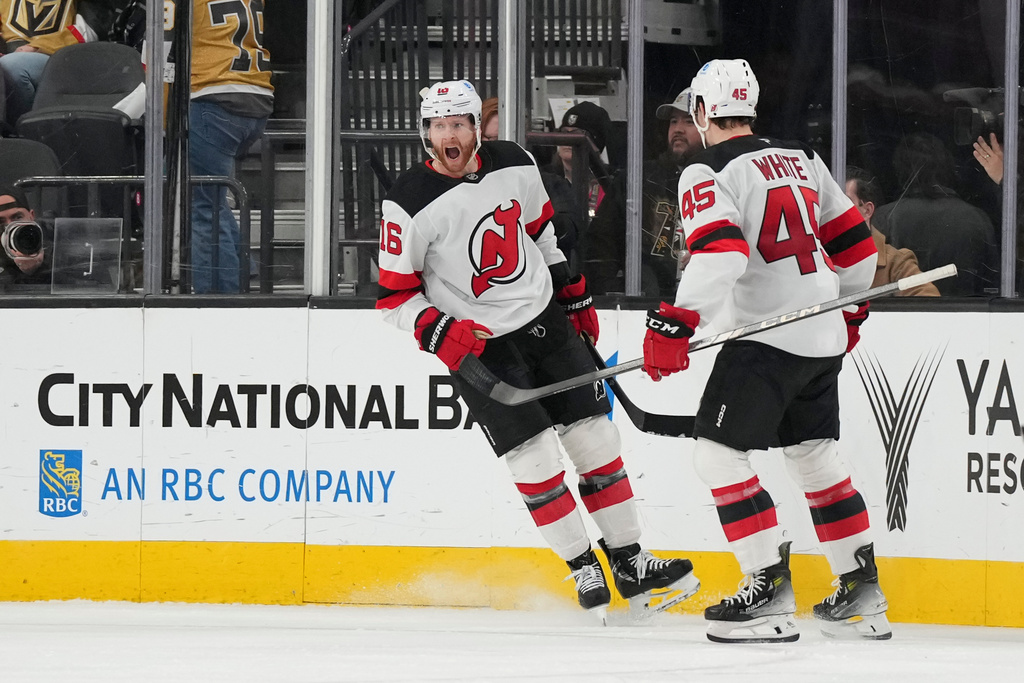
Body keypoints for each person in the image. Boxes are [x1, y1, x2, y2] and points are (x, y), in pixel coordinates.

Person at [376, 79, 699, 622]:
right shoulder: (407, 200)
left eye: (457, 124)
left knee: (596, 437)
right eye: (436, 126)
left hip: (542, 318)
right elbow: (392, 297)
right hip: (480, 347)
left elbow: (542, 233)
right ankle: (582, 565)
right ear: (424, 132)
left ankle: (629, 560)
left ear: (477, 127)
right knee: (534, 458)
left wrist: (572, 294)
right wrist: (436, 330)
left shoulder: (515, 162)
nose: (446, 136)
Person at [642, 59, 891, 643]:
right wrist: (851, 310)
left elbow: (722, 253)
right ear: (749, 109)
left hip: (765, 337)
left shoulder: (706, 166)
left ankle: (767, 593)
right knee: (814, 457)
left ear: (703, 112)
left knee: (717, 455)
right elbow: (856, 247)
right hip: (819, 337)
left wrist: (676, 323)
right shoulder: (802, 158)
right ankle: (862, 595)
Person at [186, 0, 273, 293]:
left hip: (213, 97)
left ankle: (219, 300)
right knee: (214, 201)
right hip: (256, 99)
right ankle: (241, 271)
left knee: (205, 208)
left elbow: (161, 52)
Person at [584, 88, 704, 296]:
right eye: (673, 121)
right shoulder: (636, 179)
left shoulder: (727, 178)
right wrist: (612, 297)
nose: (678, 129)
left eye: (689, 121)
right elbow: (601, 246)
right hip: (645, 307)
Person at [873, 132, 997, 297]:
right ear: (948, 166)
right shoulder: (977, 218)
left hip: (903, 317)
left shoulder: (884, 218)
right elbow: (993, 285)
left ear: (899, 169)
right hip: (966, 317)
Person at [481, 96, 581, 262]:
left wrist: (533, 214)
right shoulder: (462, 185)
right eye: (488, 140)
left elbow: (569, 232)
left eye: (501, 140)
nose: (497, 148)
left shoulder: (549, 183)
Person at [0, 0, 116, 126]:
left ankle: (27, 132)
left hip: (64, 58)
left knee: (11, 66)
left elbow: (91, 30)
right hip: (10, 55)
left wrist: (36, 47)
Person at [845, 166, 940, 296]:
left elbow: (928, 305)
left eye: (845, 203)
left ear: (867, 210)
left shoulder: (896, 264)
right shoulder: (818, 260)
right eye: (833, 204)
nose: (836, 211)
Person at [548, 101, 612, 218]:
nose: (568, 140)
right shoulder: (545, 178)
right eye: (564, 133)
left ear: (596, 144)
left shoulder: (611, 182)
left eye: (577, 135)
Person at [0, 185, 50, 287]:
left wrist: (37, 269)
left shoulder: (53, 248)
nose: (10, 226)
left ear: (31, 216)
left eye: (18, 217)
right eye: (0, 222)